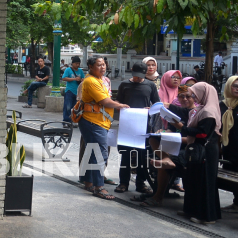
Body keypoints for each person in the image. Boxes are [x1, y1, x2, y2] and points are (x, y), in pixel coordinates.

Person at [147, 83, 222, 224]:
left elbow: (202, 134)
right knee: (192, 180)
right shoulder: (201, 109)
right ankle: (190, 209)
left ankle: (205, 216)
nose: (193, 97)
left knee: (204, 183)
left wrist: (181, 127)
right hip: (196, 150)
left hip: (205, 151)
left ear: (205, 94)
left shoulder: (209, 112)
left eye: (194, 94)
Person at [79, 56, 129, 199]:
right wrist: (120, 105)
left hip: (99, 121)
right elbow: (104, 101)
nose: (103, 67)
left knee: (92, 152)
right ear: (90, 66)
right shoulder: (91, 81)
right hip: (93, 122)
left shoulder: (101, 80)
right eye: (99, 65)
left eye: (104, 64)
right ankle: (99, 187)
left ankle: (89, 183)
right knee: (100, 154)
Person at [114, 61, 160, 195]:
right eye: (135, 75)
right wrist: (120, 106)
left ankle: (140, 183)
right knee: (125, 155)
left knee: (142, 156)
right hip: (127, 125)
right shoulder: (124, 84)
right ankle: (123, 183)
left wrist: (150, 109)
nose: (137, 78)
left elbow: (157, 104)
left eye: (140, 76)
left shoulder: (150, 85)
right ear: (131, 72)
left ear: (145, 73)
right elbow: (118, 101)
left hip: (143, 125)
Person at [220, 75, 238, 213]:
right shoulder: (223, 104)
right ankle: (236, 202)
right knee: (231, 172)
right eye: (235, 86)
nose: (237, 89)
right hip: (228, 145)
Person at [61, 57, 85, 124]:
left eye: (79, 63)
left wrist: (82, 80)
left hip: (77, 92)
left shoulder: (80, 71)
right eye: (76, 63)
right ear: (73, 63)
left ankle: (74, 120)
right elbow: (64, 78)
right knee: (67, 107)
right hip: (69, 91)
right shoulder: (68, 70)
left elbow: (83, 78)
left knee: (75, 107)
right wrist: (74, 79)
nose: (78, 65)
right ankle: (66, 121)